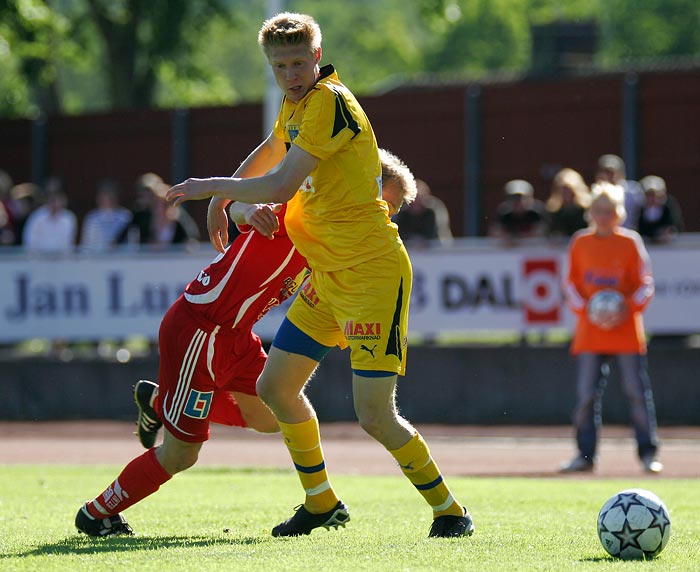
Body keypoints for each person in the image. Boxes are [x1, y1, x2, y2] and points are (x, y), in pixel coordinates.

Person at [166, 13, 473, 539]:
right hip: (328, 277)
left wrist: (208, 187)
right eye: (279, 65)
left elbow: (283, 182)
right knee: (275, 388)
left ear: (317, 55)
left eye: (298, 62)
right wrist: (225, 195)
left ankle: (450, 511)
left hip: (373, 275)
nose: (289, 73)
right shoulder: (298, 105)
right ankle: (321, 502)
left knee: (374, 415)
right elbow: (271, 150)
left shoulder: (329, 100)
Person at [73, 149, 418, 537]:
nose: (379, 215)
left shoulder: (339, 241)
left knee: (273, 415)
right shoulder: (306, 206)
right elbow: (244, 206)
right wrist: (245, 212)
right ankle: (96, 513)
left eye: (388, 211)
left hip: (235, 336)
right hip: (199, 331)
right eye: (378, 202)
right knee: (182, 454)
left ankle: (162, 402)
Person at [560, 182, 662, 474]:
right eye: (598, 210)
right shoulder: (580, 242)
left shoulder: (630, 242)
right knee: (586, 396)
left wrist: (626, 308)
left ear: (618, 214)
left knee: (637, 393)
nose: (603, 216)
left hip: (626, 332)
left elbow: (645, 284)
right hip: (591, 333)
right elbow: (570, 284)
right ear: (591, 212)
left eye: (609, 211)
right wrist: (589, 310)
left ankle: (647, 454)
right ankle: (585, 455)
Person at [116, 172, 200, 247]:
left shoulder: (176, 216)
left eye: (150, 193)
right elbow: (127, 233)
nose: (146, 197)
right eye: (143, 192)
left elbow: (191, 236)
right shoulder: (141, 214)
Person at [394, 178, 453, 247]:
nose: (415, 201)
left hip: (434, 252)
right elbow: (399, 234)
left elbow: (440, 233)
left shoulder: (433, 211)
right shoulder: (401, 214)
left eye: (419, 197)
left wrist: (424, 241)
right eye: (413, 197)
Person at [594, 154, 644, 231]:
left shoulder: (633, 192)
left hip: (628, 234)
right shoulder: (597, 192)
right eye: (606, 172)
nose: (609, 176)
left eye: (611, 172)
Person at [80, 178, 132, 252]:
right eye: (104, 194)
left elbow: (131, 245)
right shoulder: (92, 217)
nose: (107, 197)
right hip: (97, 260)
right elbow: (86, 246)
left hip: (120, 260)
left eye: (110, 194)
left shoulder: (126, 216)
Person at [22, 184, 77, 253]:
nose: (55, 203)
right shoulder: (36, 217)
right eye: (53, 200)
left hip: (62, 261)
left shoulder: (69, 218)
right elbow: (29, 242)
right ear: (47, 200)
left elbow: (69, 244)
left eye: (58, 199)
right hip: (39, 261)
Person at [545, 168, 590, 242]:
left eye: (569, 190)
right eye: (563, 190)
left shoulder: (586, 210)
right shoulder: (553, 211)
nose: (566, 193)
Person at [637, 175, 684, 243]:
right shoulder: (640, 209)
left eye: (655, 194)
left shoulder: (669, 207)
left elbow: (676, 226)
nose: (652, 198)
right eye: (649, 195)